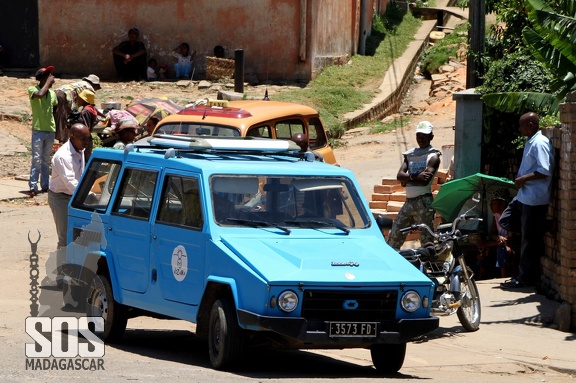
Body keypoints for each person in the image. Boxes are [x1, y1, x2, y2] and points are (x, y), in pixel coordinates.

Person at [499, 112, 554, 289]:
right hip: (525, 196)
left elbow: (545, 170)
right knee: (506, 220)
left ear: (530, 125)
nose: (519, 128)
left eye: (521, 125)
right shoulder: (531, 141)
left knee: (528, 241)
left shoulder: (540, 143)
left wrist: (524, 179)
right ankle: (541, 227)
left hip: (535, 198)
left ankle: (525, 278)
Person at [387, 121, 441, 250]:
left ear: (431, 137)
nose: (421, 139)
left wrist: (408, 180)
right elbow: (399, 176)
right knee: (395, 233)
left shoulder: (433, 156)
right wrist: (415, 177)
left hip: (424, 201)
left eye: (424, 136)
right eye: (419, 135)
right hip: (409, 201)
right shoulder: (410, 155)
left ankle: (428, 267)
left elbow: (424, 181)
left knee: (426, 239)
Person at [48, 123, 91, 250]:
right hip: (61, 198)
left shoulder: (80, 149)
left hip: (75, 196)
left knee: (80, 236)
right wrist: (88, 196)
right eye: (83, 139)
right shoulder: (63, 156)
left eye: (88, 138)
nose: (86, 142)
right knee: (66, 238)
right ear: (72, 138)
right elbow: (71, 183)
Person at [28, 65, 58, 196]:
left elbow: (55, 108)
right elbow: (40, 95)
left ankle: (45, 185)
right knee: (36, 158)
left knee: (46, 159)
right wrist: (48, 83)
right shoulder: (32, 89)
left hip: (50, 129)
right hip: (38, 129)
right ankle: (33, 186)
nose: (51, 78)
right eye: (47, 76)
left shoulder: (52, 94)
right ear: (41, 79)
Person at [53, 74, 102, 143]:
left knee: (58, 116)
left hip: (57, 92)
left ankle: (57, 137)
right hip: (67, 96)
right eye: (97, 87)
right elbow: (91, 106)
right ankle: (65, 140)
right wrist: (102, 115)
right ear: (94, 84)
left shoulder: (81, 84)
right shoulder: (89, 89)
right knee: (67, 119)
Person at [77, 89, 98, 161]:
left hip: (84, 138)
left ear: (84, 100)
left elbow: (86, 127)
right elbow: (96, 121)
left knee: (83, 159)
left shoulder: (85, 111)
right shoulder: (92, 109)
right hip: (88, 138)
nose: (78, 100)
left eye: (80, 98)